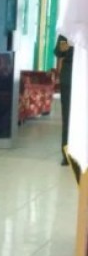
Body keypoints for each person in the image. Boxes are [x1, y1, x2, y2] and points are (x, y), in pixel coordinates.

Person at [55, 34, 74, 165]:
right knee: (67, 116)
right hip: (69, 77)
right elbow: (58, 51)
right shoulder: (66, 30)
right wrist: (67, 46)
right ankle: (67, 154)